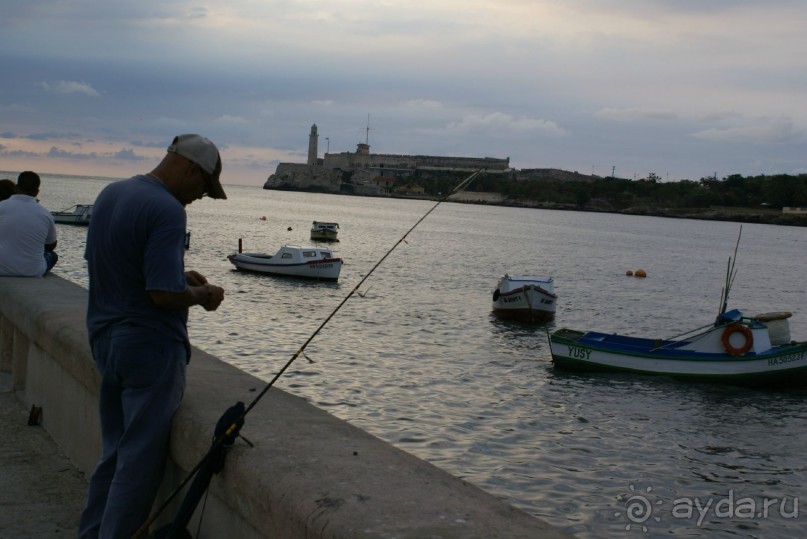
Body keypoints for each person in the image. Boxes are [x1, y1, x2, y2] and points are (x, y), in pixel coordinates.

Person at [78, 134, 227, 539]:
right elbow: (161, 295)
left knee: (113, 454)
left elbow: (118, 268)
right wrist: (203, 295)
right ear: (190, 169)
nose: (201, 197)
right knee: (137, 464)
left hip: (105, 341)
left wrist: (181, 276)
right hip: (148, 349)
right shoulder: (168, 210)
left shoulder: (113, 193)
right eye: (204, 187)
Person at [0, 171, 58, 276]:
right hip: (32, 271)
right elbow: (51, 246)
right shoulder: (46, 214)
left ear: (16, 188)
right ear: (37, 192)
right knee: (52, 255)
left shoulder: (2, 206)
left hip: (1, 269)